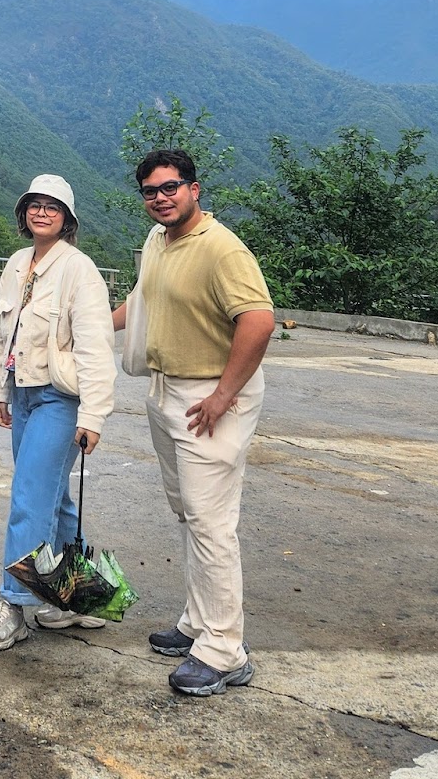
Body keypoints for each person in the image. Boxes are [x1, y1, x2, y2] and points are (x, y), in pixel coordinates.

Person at [114, 148, 275, 697]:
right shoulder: (158, 242)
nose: (161, 198)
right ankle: (198, 622)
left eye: (170, 187)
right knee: (188, 513)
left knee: (210, 521)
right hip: (167, 389)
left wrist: (224, 395)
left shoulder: (221, 248)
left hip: (210, 395)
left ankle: (224, 650)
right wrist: (86, 327)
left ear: (194, 189)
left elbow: (258, 321)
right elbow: (141, 301)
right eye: (151, 191)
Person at [0, 175, 116, 651]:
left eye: (52, 207)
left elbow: (96, 348)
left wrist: (93, 416)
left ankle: (14, 604)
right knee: (52, 499)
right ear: (24, 214)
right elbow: (1, 334)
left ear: (67, 219)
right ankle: (75, 597)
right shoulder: (17, 264)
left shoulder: (80, 270)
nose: (41, 212)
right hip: (22, 394)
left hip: (60, 399)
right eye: (34, 205)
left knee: (29, 497)